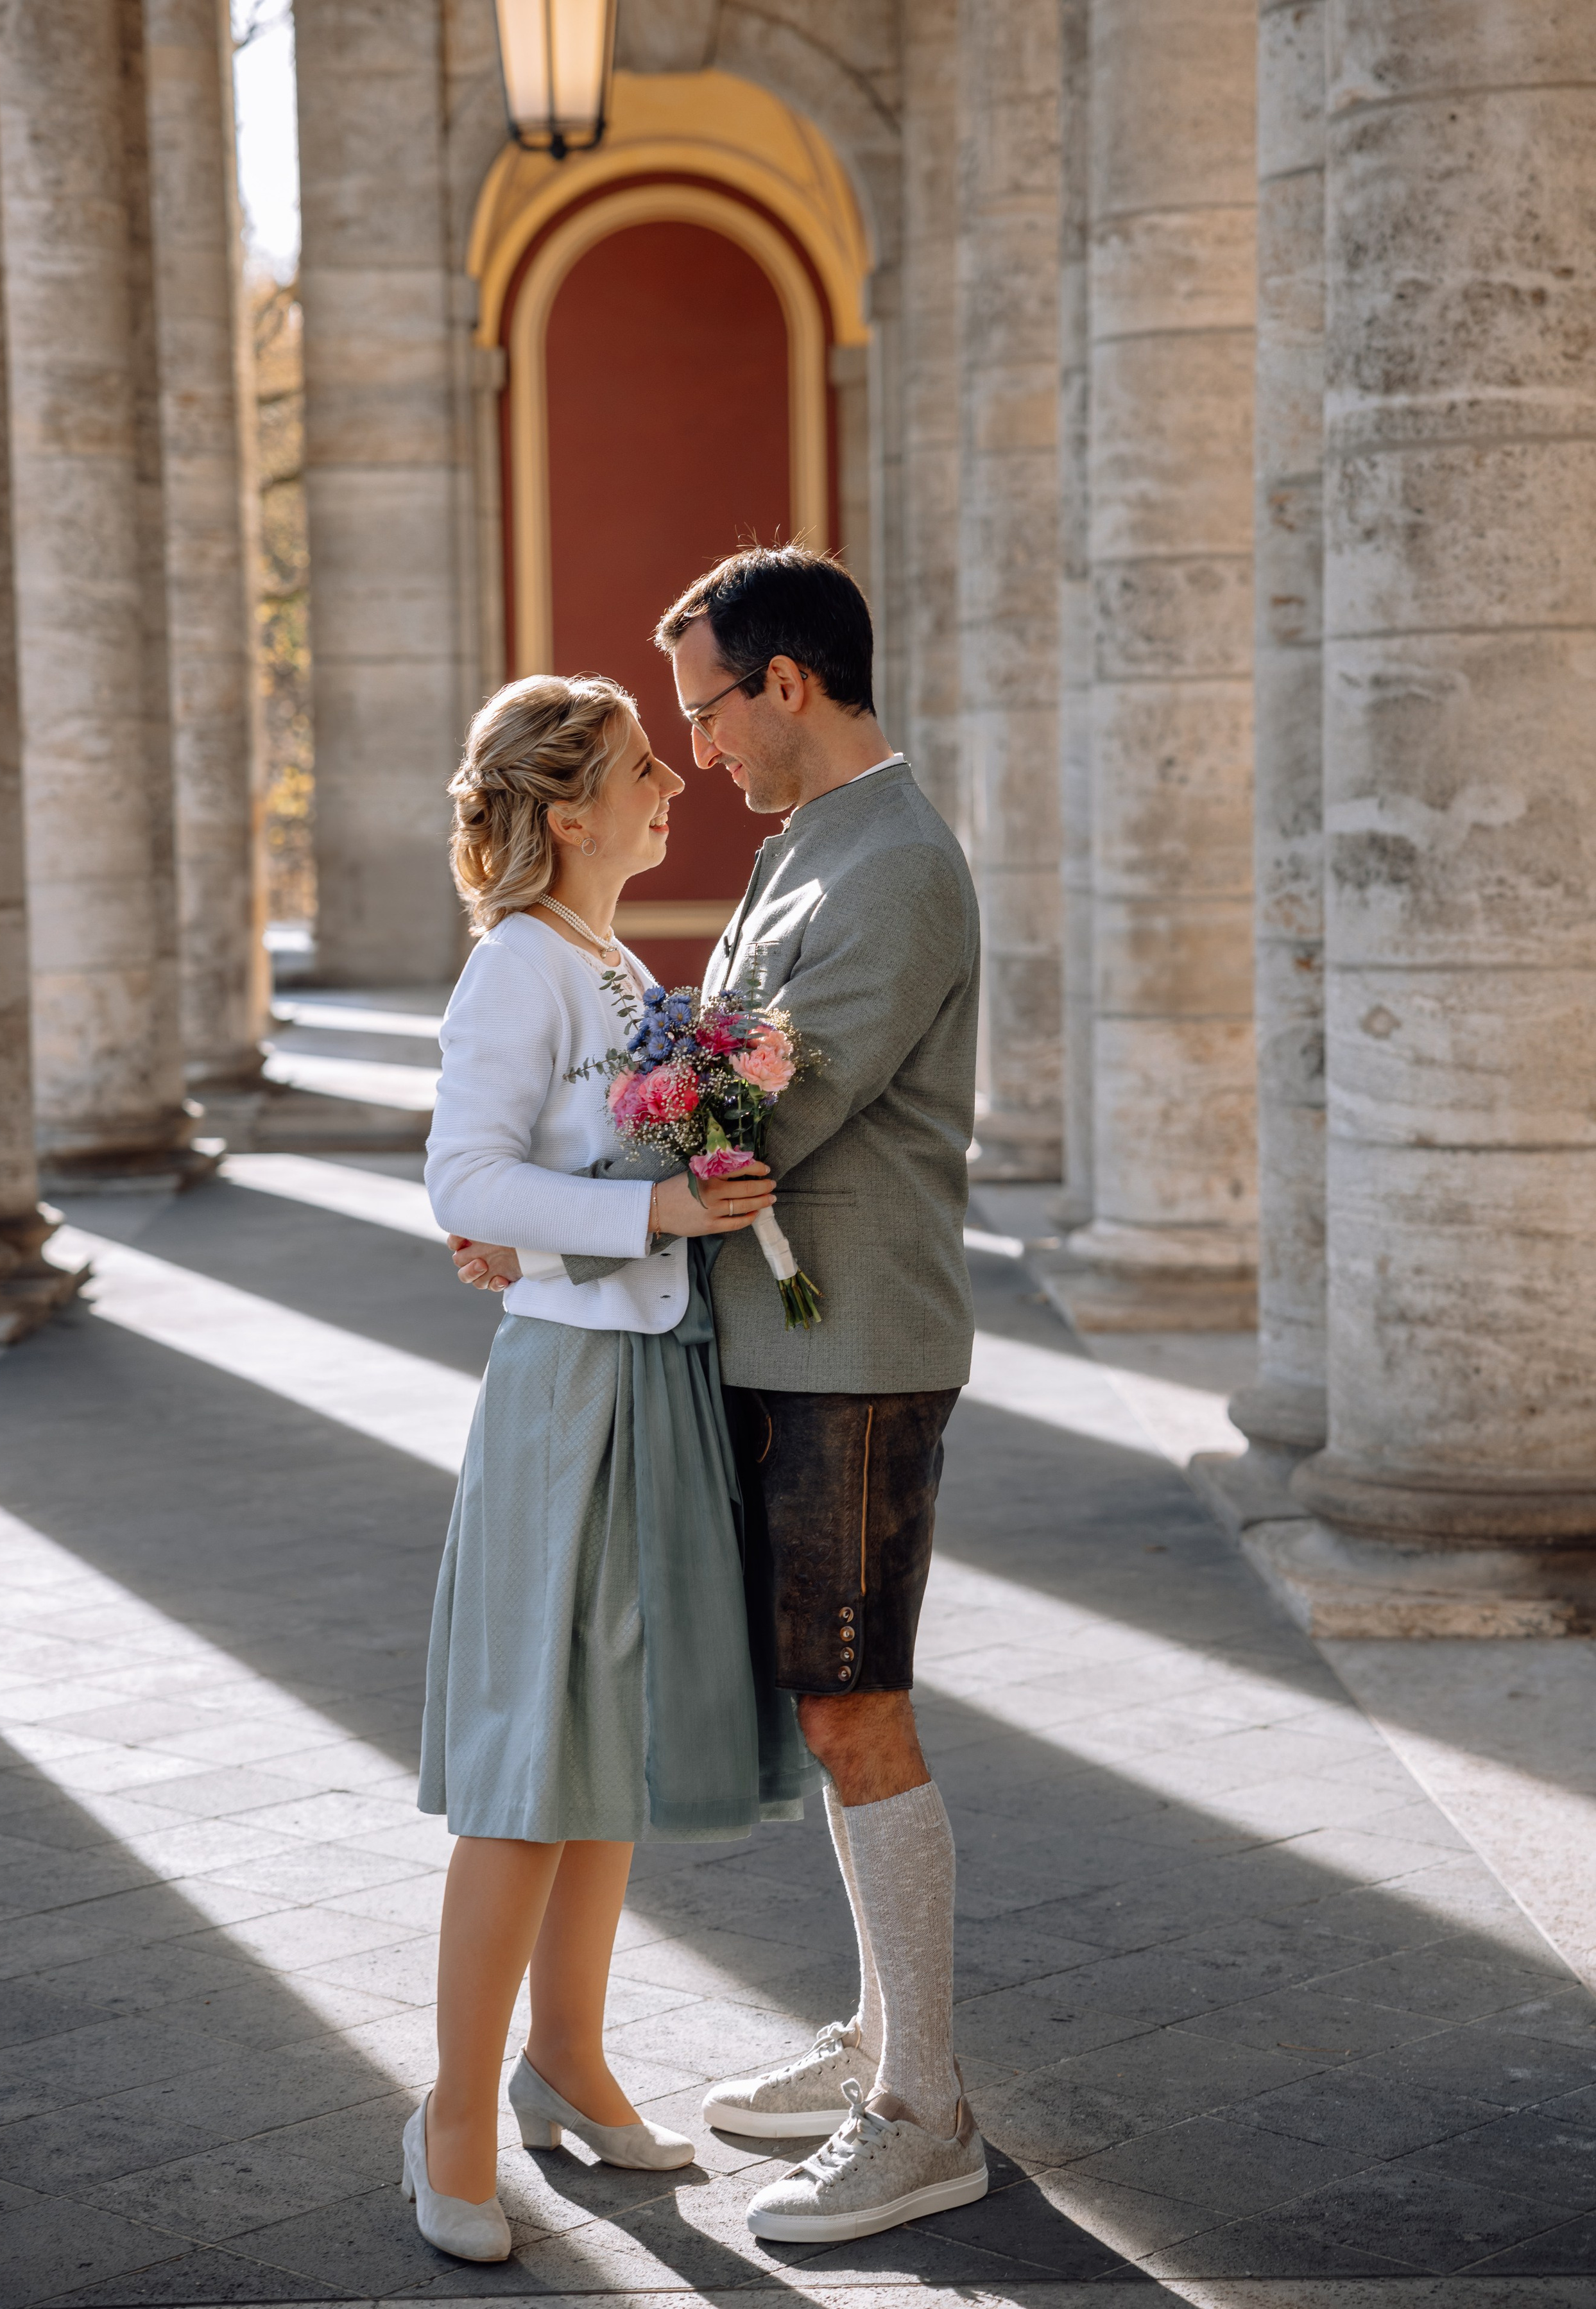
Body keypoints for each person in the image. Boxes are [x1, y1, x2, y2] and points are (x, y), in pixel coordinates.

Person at [406, 673, 812, 2265]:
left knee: (602, 1752)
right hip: (568, 1396)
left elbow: (535, 1192)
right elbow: (463, 1175)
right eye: (646, 767)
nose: (673, 785)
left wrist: (646, 1198)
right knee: (529, 1764)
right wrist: (649, 1212)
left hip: (649, 1377)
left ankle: (564, 2061)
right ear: (568, 811)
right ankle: (450, 2117)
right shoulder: (517, 963)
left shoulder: (608, 960)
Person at [662, 545, 984, 2244]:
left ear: (785, 680)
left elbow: (763, 1116)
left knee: (858, 1705)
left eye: (708, 708)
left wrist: (585, 1165)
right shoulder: (807, 844)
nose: (700, 745)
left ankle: (925, 2109)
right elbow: (721, 1070)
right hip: (789, 1338)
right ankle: (879, 2034)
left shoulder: (897, 861)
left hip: (853, 1345)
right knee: (828, 1702)